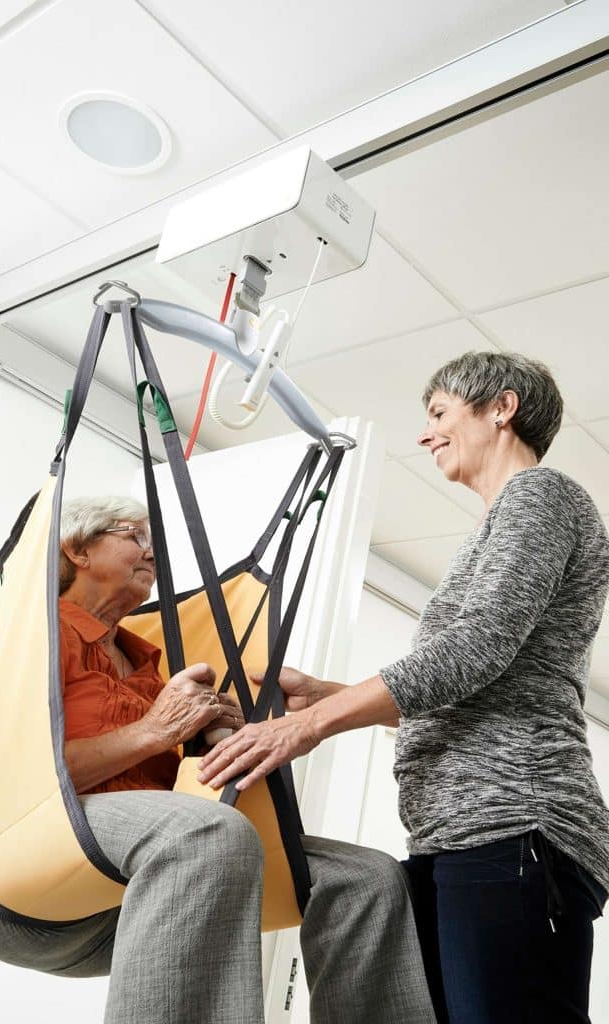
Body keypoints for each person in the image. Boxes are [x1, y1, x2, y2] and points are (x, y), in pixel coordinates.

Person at [200, 351, 609, 1024]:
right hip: (456, 832)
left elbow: (474, 650)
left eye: (440, 413)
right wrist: (325, 694)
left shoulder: (542, 495)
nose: (425, 434)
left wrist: (309, 725)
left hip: (515, 822)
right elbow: (480, 685)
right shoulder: (499, 523)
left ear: (501, 408)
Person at [0, 496, 436, 1024]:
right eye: (133, 536)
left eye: (153, 544)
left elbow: (172, 776)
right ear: (77, 549)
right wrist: (154, 731)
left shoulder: (148, 660)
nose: (150, 553)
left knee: (366, 877)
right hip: (29, 868)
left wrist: (217, 737)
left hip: (131, 892)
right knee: (207, 831)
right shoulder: (33, 638)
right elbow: (28, 777)